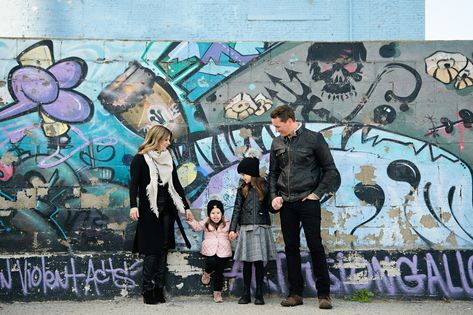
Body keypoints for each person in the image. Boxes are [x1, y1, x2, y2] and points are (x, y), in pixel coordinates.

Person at [268, 105, 340, 310]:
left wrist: (316, 194)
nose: (276, 130)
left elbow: (330, 170)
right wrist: (274, 197)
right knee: (291, 248)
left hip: (308, 201)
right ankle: (295, 294)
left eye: (279, 126)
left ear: (290, 121)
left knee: (315, 246)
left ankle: (324, 295)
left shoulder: (313, 139)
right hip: (286, 203)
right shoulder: (277, 142)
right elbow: (273, 173)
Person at [129, 125, 191, 304]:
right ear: (157, 139)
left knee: (163, 249)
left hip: (167, 210)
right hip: (150, 211)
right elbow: (134, 185)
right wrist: (134, 206)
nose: (168, 143)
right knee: (152, 251)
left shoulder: (168, 158)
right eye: (166, 140)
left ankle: (159, 289)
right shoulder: (140, 159)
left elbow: (176, 184)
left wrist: (185, 208)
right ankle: (147, 290)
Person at [229, 150, 277, 305]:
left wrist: (276, 205)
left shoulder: (264, 185)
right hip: (246, 227)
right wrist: (232, 228)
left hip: (261, 227)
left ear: (252, 173)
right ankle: (246, 293)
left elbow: (271, 207)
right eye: (242, 175)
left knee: (259, 263)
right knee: (247, 263)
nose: (243, 177)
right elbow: (237, 208)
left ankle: (259, 294)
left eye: (245, 174)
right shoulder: (242, 188)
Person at [186, 200, 232, 303]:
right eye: (213, 213)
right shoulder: (206, 221)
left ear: (222, 213)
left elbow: (234, 232)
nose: (216, 216)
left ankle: (217, 293)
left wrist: (234, 234)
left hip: (223, 249)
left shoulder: (227, 223)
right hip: (210, 248)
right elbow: (197, 226)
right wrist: (192, 221)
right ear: (209, 214)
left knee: (220, 271)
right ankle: (207, 273)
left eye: (218, 213)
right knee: (211, 262)